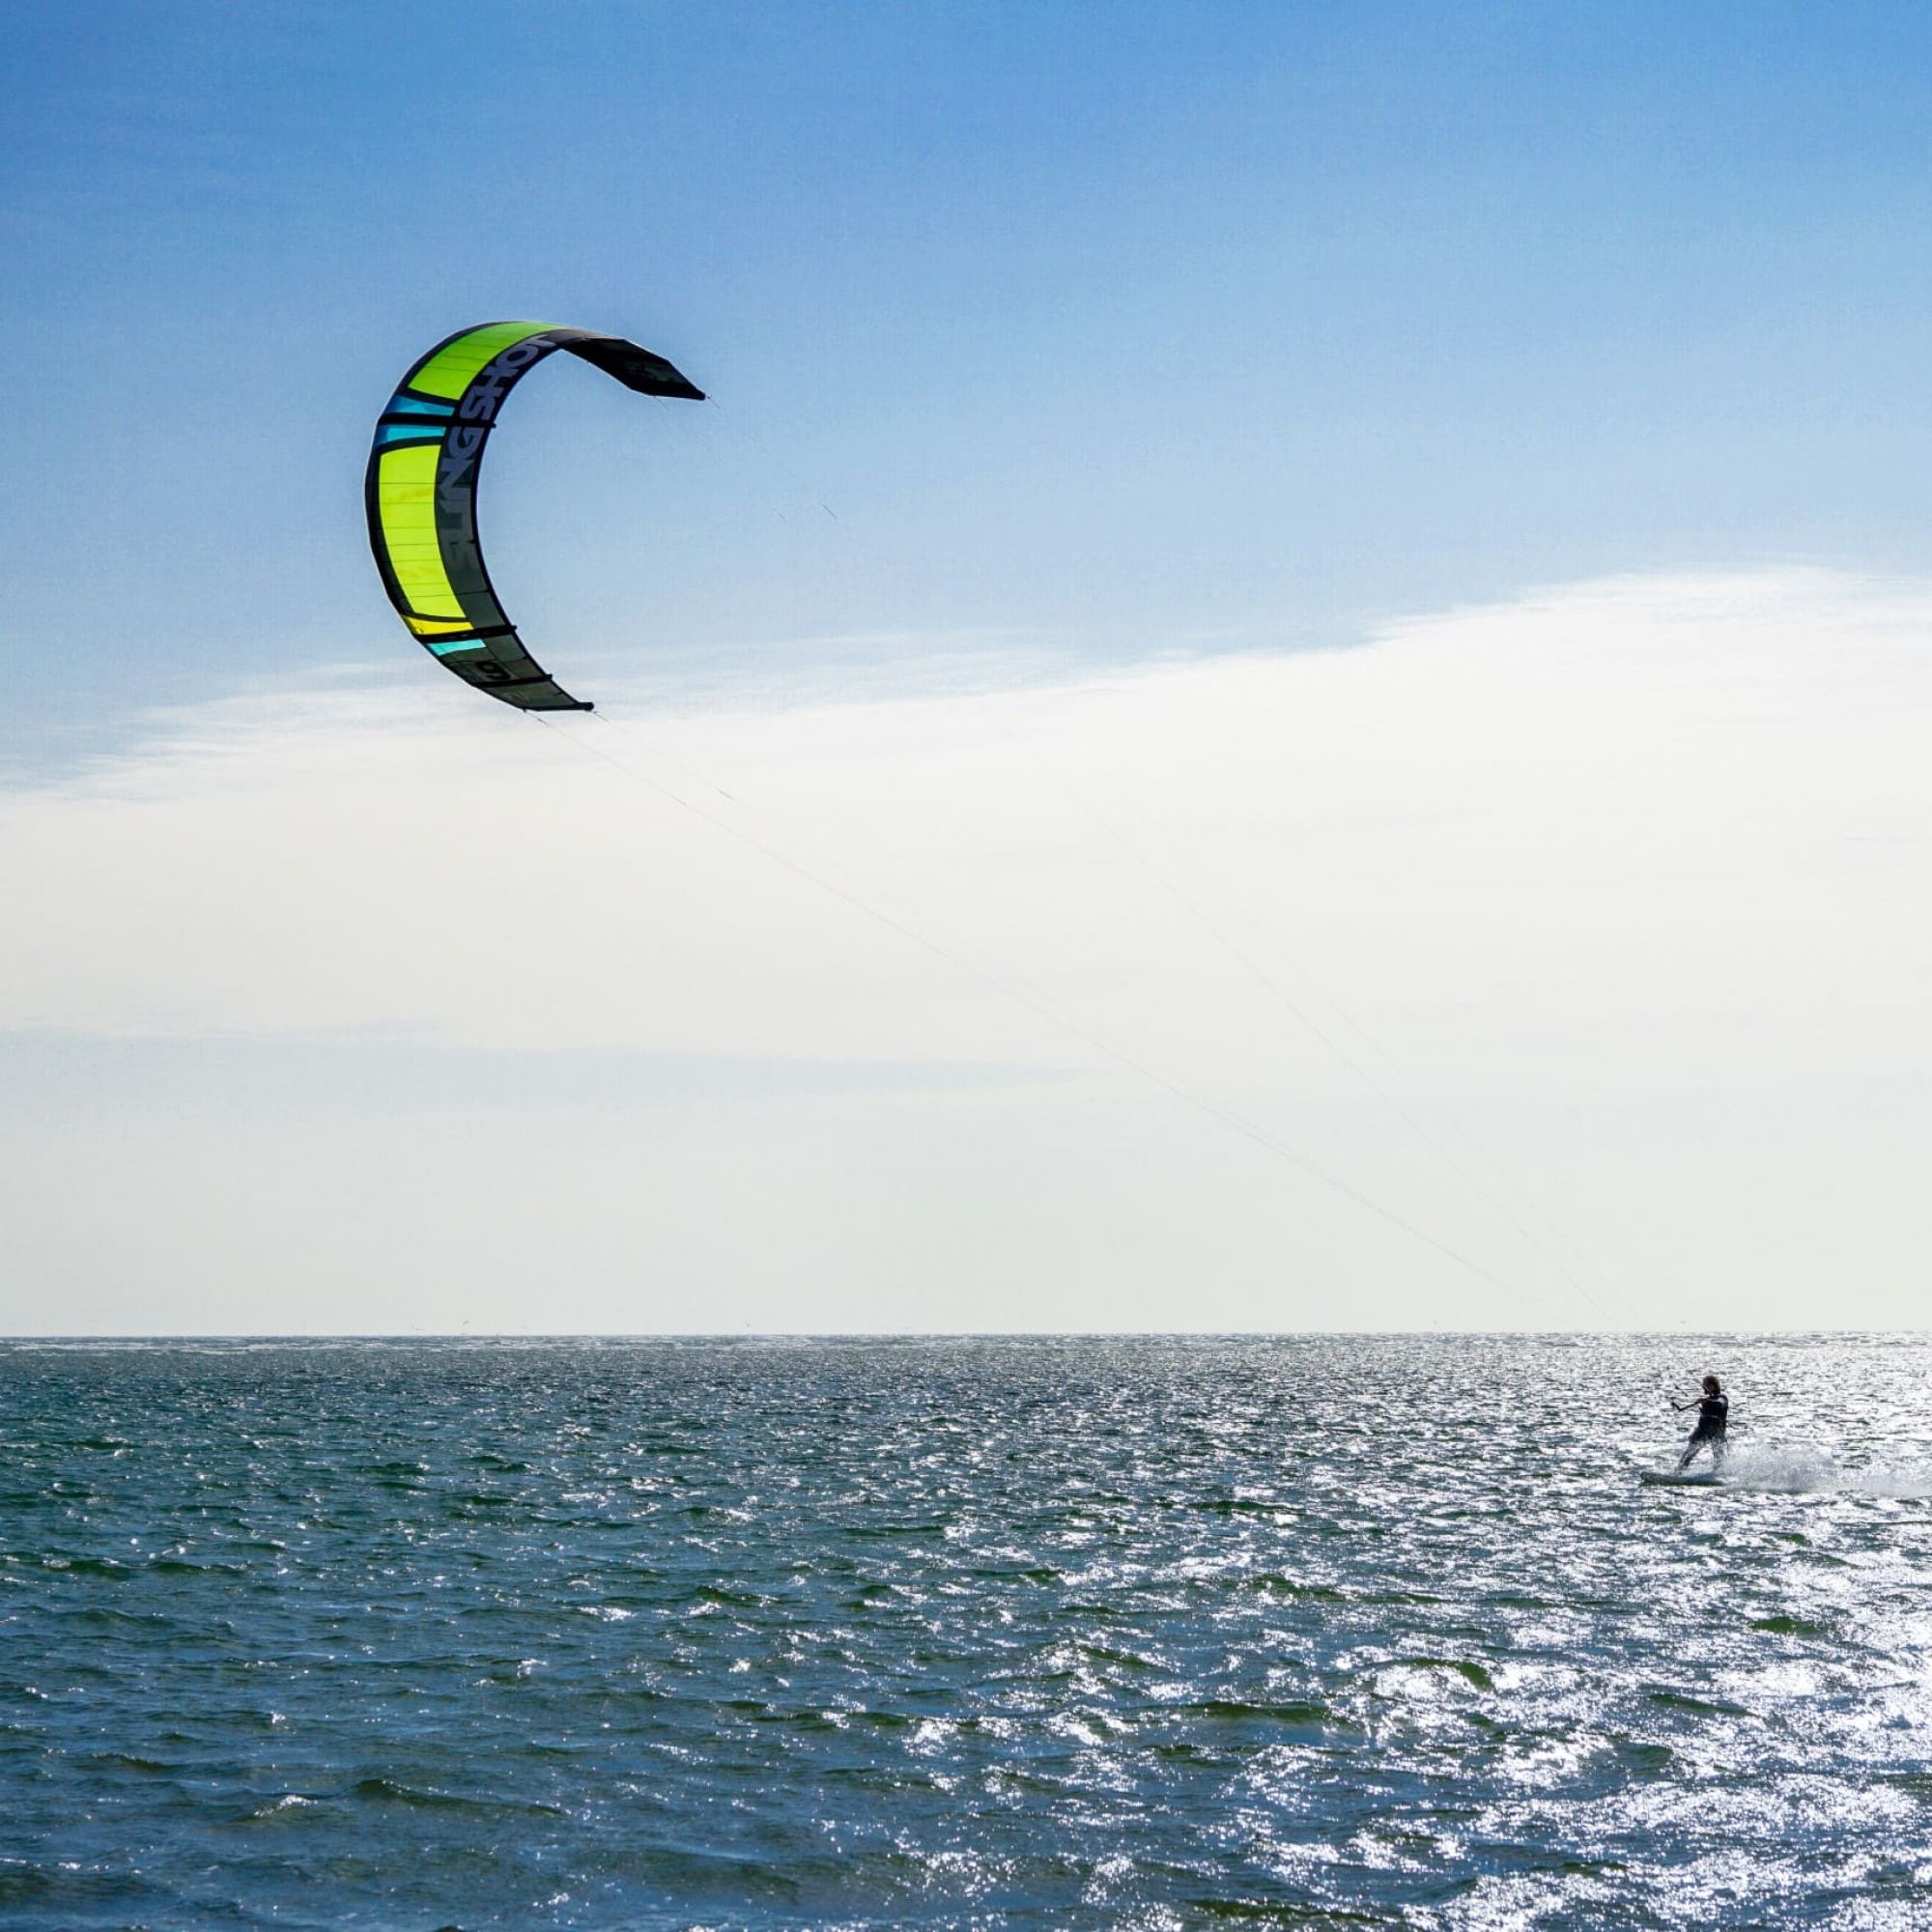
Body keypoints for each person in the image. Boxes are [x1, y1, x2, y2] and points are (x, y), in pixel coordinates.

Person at [1672, 1375, 1729, 1470]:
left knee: (1719, 1457)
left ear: (1713, 1386)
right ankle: (1679, 1472)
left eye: (1706, 1385)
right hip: (1703, 1431)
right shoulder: (1707, 1399)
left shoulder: (1722, 1398)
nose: (1704, 1386)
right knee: (1688, 1454)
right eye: (1704, 1384)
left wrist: (1707, 1401)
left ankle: (1718, 1474)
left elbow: (1719, 1403)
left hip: (1716, 1431)